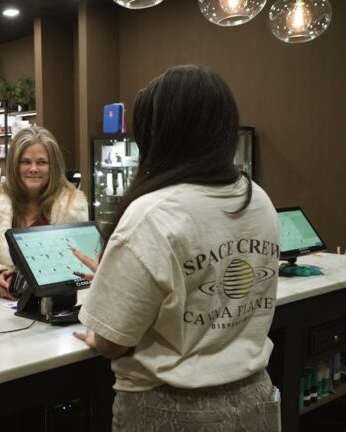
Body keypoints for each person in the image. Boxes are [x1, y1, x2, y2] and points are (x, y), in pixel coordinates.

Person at [73, 65, 281, 431]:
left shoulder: (152, 213)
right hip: (256, 399)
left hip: (172, 411)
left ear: (159, 134)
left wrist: (97, 331)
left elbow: (112, 341)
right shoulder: (257, 198)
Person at [0, 126, 88, 303]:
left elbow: (81, 269)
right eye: (25, 162)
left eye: (42, 162)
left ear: (54, 166)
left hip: (51, 311)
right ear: (14, 165)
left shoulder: (72, 206)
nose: (33, 169)